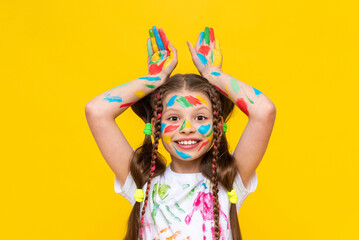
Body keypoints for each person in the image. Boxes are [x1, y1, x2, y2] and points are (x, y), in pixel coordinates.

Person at [85, 26, 276, 240]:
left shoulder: (230, 179)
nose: (187, 128)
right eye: (173, 118)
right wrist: (155, 80)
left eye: (200, 117)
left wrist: (213, 74)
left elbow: (264, 111)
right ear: (157, 125)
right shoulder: (142, 181)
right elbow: (97, 110)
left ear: (218, 125)